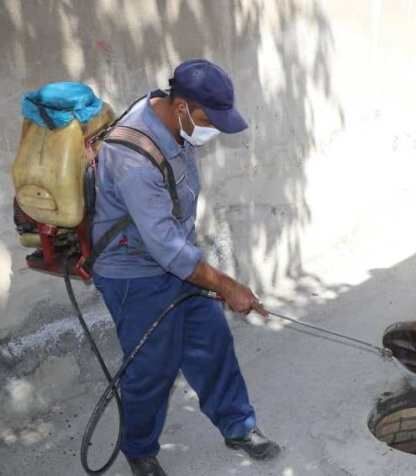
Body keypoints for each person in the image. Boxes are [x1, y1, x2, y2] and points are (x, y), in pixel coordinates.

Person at [91, 59, 279, 475]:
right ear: (182, 106)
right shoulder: (132, 157)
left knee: (212, 343)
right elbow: (167, 249)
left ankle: (239, 427)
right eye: (208, 118)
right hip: (133, 274)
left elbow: (175, 242)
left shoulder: (175, 124)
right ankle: (139, 450)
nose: (212, 128)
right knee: (152, 367)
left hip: (176, 261)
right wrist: (228, 285)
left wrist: (211, 279)